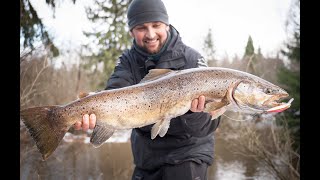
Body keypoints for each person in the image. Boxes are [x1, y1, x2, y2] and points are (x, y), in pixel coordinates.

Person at [74, 0, 225, 179]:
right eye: (141, 28)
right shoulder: (127, 61)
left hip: (188, 154)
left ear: (167, 25)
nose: (150, 34)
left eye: (156, 25)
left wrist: (194, 113)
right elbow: (116, 88)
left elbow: (208, 127)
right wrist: (93, 111)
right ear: (131, 31)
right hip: (146, 157)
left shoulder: (192, 60)